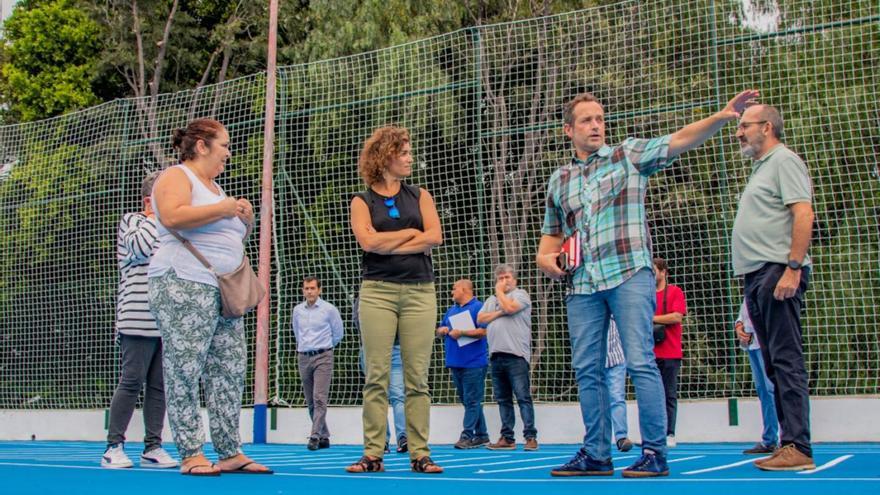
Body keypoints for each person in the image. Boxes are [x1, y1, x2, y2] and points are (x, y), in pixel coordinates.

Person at [537, 89, 759, 477]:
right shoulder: (560, 179)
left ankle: (654, 452)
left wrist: (722, 117)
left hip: (628, 275)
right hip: (583, 285)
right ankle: (596, 454)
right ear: (568, 129)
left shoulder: (628, 155)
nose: (596, 125)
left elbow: (679, 139)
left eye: (600, 118)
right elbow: (549, 243)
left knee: (640, 361)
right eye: (587, 120)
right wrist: (548, 263)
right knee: (587, 369)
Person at [148, 118, 271, 476]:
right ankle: (190, 451)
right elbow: (172, 216)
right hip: (183, 281)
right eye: (224, 146)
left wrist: (243, 220)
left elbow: (224, 239)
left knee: (229, 368)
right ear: (201, 145)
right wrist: (225, 208)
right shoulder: (176, 176)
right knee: (185, 365)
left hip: (222, 288)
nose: (228, 154)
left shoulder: (216, 188)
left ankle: (229, 449)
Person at [347, 126, 443, 474]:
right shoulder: (361, 201)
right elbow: (367, 243)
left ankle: (420, 453)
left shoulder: (420, 195)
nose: (409, 157)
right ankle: (373, 453)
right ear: (385, 156)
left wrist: (389, 239)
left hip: (420, 291)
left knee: (417, 378)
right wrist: (409, 234)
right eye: (403, 152)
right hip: (377, 292)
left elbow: (434, 237)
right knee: (377, 375)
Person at [731, 104, 815, 471]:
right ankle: (787, 443)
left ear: (767, 127)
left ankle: (798, 444)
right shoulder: (761, 167)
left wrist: (793, 268)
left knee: (785, 358)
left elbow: (803, 212)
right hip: (757, 275)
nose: (739, 132)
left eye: (745, 126)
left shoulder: (784, 161)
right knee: (773, 365)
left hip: (777, 270)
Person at [101, 171, 178, 469]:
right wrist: (153, 214)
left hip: (163, 319)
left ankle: (153, 446)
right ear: (151, 199)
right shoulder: (133, 221)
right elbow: (140, 248)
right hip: (136, 317)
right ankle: (113, 446)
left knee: (158, 386)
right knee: (132, 381)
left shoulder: (168, 228)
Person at [478, 264, 538, 452]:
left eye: (507, 277)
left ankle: (530, 437)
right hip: (496, 355)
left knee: (522, 397)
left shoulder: (521, 294)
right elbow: (480, 319)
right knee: (503, 399)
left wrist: (500, 294)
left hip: (516, 355)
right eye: (500, 278)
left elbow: (510, 308)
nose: (504, 281)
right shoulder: (491, 300)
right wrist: (499, 311)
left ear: (515, 280)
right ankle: (507, 437)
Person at [292, 276, 344, 451]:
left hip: (323, 356)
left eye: (313, 288)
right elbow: (297, 332)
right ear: (303, 290)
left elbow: (338, 333)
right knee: (310, 400)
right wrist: (303, 349)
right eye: (306, 288)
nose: (309, 291)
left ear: (319, 290)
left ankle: (314, 436)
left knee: (319, 397)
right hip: (304, 356)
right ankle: (324, 435)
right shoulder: (297, 310)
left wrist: (325, 348)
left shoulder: (329, 310)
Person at [436, 279, 489, 449]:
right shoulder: (451, 311)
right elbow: (440, 328)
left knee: (472, 400)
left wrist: (463, 332)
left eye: (454, 289)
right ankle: (482, 435)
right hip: (455, 362)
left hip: (474, 362)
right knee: (469, 401)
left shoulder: (478, 308)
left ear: (465, 289)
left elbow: (484, 331)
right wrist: (442, 331)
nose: (452, 292)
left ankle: (467, 435)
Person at [353, 296, 408, 454]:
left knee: (398, 394)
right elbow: (359, 321)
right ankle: (380, 441)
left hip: (395, 348)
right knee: (378, 395)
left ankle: (403, 437)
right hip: (372, 350)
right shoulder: (364, 295)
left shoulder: (397, 293)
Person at [735, 299, 779, 455]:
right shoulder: (750, 288)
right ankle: (770, 438)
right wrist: (739, 325)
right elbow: (744, 311)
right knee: (764, 391)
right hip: (752, 343)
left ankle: (784, 438)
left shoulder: (765, 282)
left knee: (771, 389)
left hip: (767, 340)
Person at [651, 257, 687, 448]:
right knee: (651, 395)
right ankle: (654, 433)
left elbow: (677, 316)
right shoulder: (646, 294)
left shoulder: (674, 292)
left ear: (664, 272)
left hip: (670, 351)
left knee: (669, 394)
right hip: (650, 352)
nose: (652, 274)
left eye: (655, 270)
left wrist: (653, 318)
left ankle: (670, 432)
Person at [605, 319, 632, 452]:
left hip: (617, 358)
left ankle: (621, 437)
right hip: (594, 361)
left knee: (617, 398)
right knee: (595, 402)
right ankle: (597, 439)